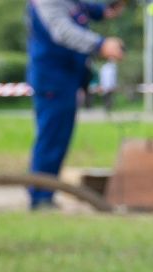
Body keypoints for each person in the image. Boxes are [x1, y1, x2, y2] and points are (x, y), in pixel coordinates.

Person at [27, 0, 125, 207]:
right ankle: (40, 196)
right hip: (52, 79)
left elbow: (90, 9)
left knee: (59, 138)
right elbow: (62, 31)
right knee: (52, 138)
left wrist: (108, 8)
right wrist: (100, 44)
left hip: (67, 79)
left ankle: (44, 192)